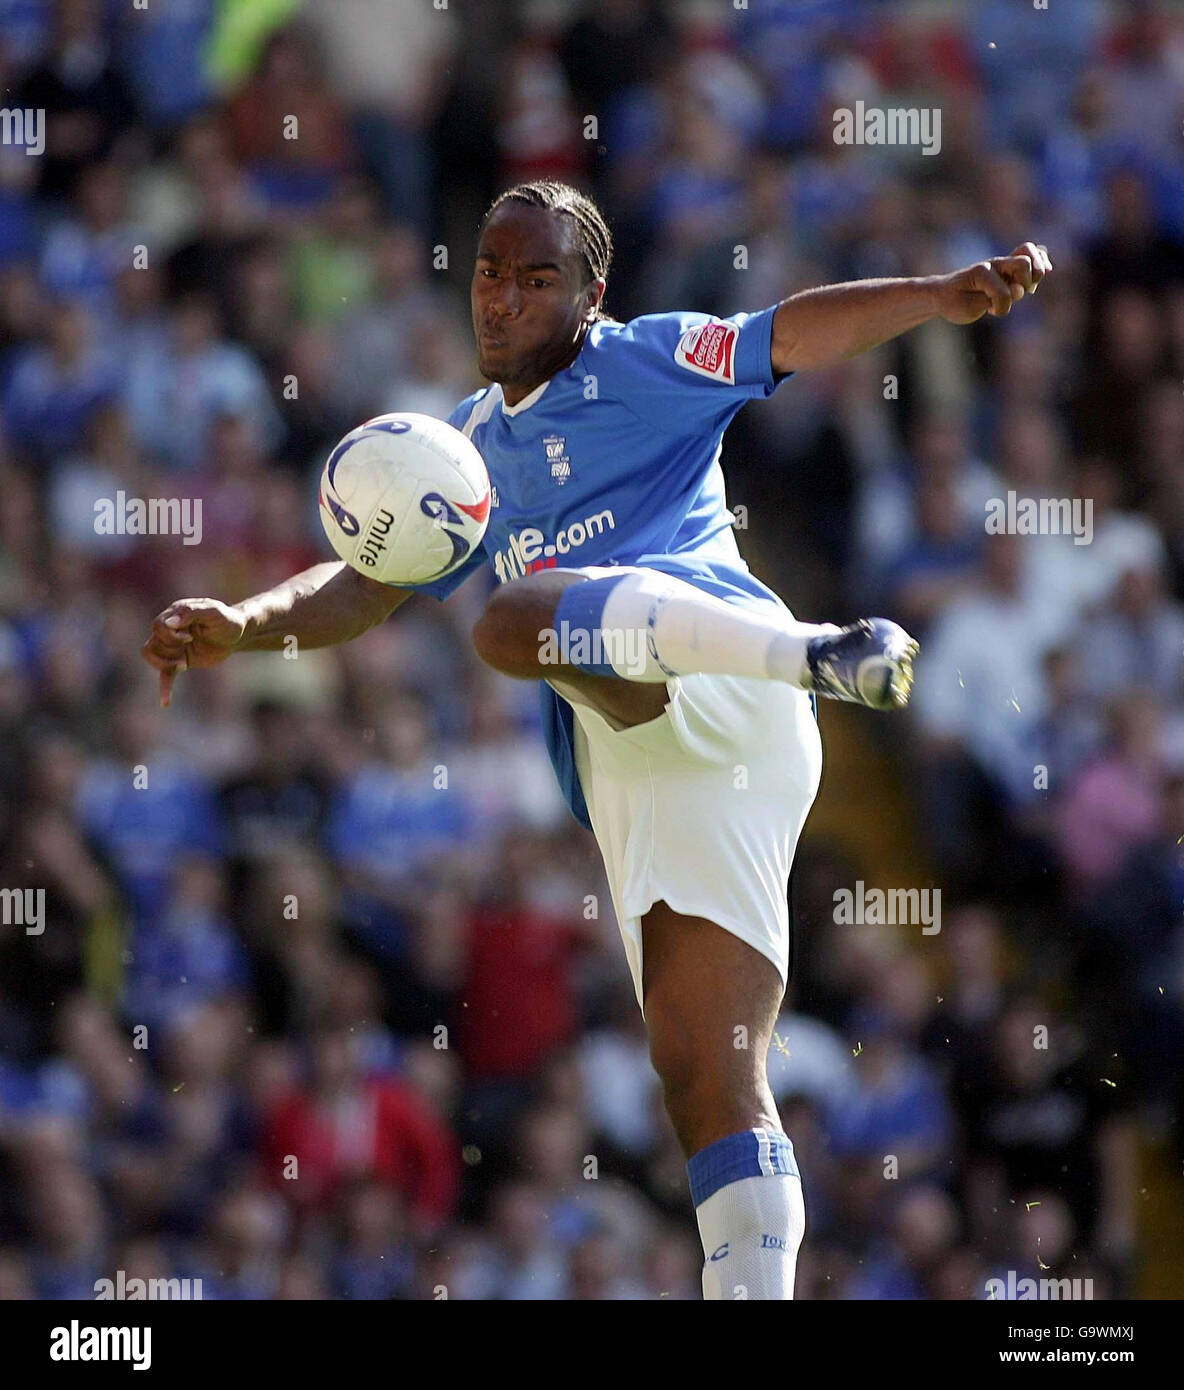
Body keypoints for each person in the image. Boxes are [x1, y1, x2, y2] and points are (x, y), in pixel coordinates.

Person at [142, 180, 1051, 1300]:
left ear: (590, 295)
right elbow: (365, 583)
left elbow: (787, 335)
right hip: (640, 766)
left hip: (728, 678)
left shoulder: (641, 360)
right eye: (490, 271)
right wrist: (246, 622)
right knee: (704, 1075)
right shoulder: (465, 449)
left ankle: (818, 649)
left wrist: (932, 297)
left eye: (536, 279)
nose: (504, 298)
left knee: (512, 618)